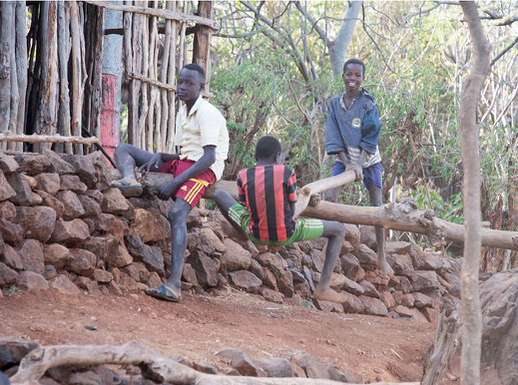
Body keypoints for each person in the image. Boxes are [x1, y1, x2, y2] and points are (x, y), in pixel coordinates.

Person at [112, 63, 229, 302]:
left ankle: (174, 285)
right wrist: (164, 157)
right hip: (186, 163)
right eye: (181, 82)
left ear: (201, 87)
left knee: (177, 213)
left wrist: (175, 184)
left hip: (204, 170)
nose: (183, 87)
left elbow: (208, 157)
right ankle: (129, 179)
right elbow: (186, 153)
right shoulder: (183, 112)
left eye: (189, 83)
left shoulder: (207, 113)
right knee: (124, 148)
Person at [214, 136, 348, 304]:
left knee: (219, 194)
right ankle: (323, 288)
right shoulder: (286, 172)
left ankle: (241, 233)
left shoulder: (243, 175)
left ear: (255, 157)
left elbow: (245, 205)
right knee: (338, 229)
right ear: (277, 156)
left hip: (254, 232)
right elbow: (292, 209)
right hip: (287, 233)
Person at [324, 58, 394, 276]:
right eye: (349, 74)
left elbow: (372, 133)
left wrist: (360, 163)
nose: (352, 79)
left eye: (357, 75)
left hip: (369, 160)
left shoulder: (368, 104)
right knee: (330, 198)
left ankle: (382, 256)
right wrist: (347, 163)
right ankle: (329, 248)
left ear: (363, 79)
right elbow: (333, 135)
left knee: (377, 205)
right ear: (343, 76)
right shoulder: (334, 104)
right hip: (344, 158)